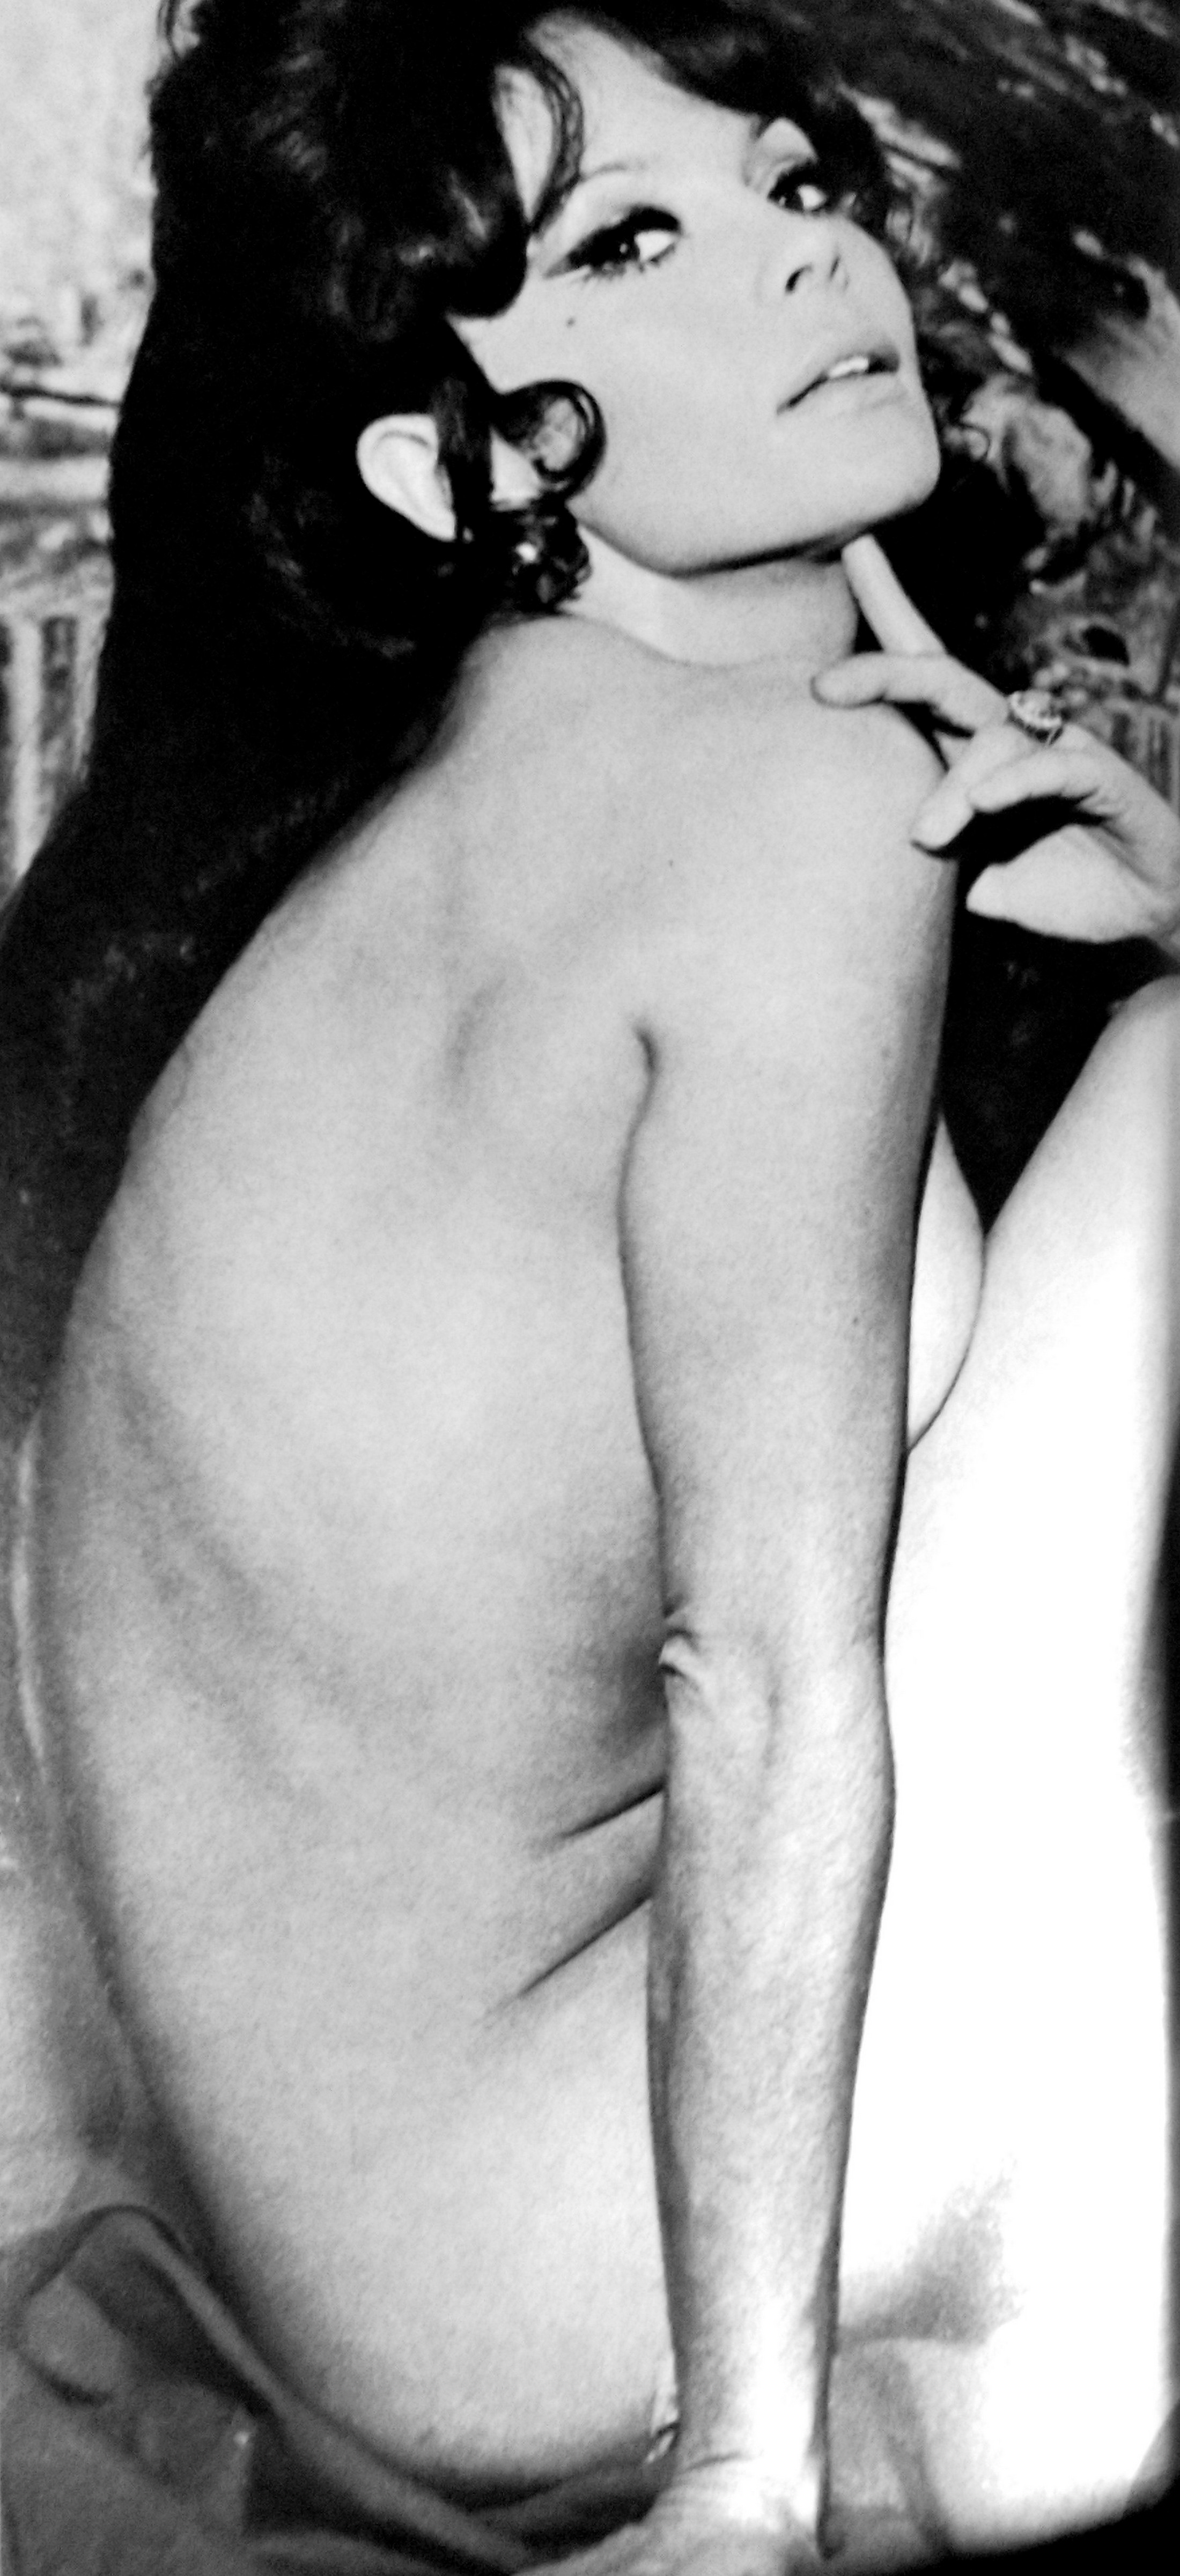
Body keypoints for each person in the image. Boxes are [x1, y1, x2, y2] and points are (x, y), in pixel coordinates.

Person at [2, 4, 1177, 2568]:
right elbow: (755, 1672)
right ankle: (968, 2398)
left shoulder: (489, 799)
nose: (805, 259)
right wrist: (734, 2478)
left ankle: (996, 2385)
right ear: (453, 467)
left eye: (789, 182)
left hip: (367, 2256)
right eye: (635, 243)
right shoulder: (776, 812)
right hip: (566, 2263)